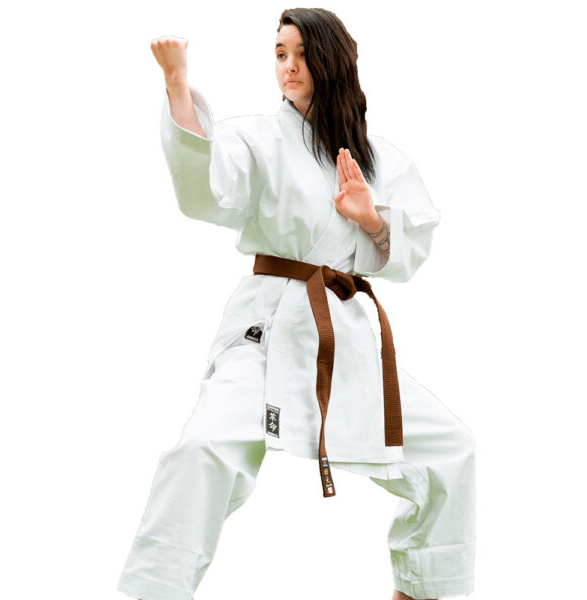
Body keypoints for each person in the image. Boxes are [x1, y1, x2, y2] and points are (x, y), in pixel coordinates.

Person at [116, 8, 476, 600]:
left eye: (302, 54)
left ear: (334, 60)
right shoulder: (257, 138)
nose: (289, 66)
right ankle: (153, 591)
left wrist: (371, 219)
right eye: (280, 53)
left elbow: (409, 252)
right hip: (269, 327)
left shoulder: (380, 159)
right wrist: (177, 82)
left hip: (345, 334)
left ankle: (421, 593)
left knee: (451, 449)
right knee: (203, 448)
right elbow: (205, 184)